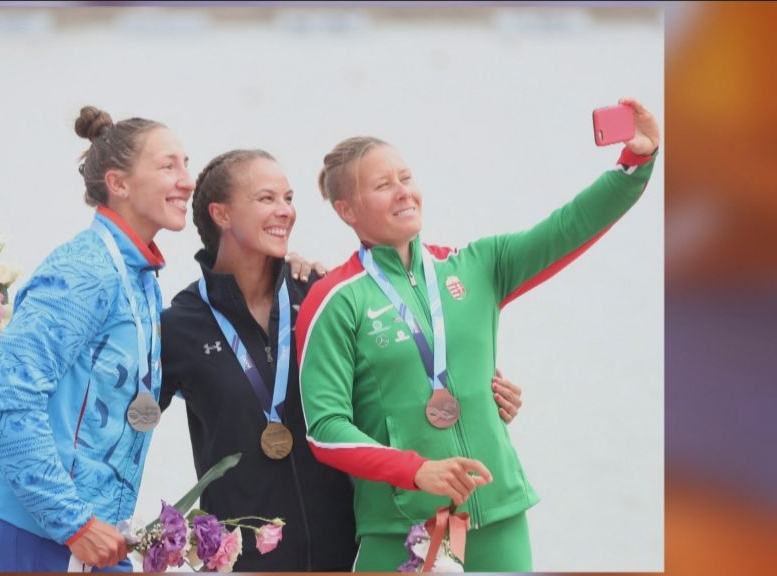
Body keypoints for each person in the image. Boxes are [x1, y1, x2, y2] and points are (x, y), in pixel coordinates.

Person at [295, 99, 660, 571]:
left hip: (499, 516)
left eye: (406, 178)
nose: (403, 192)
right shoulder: (334, 300)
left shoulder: (477, 266)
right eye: (383, 185)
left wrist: (635, 162)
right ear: (347, 209)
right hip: (401, 527)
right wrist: (416, 470)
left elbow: (569, 227)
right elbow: (325, 428)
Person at [158, 149, 529, 571]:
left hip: (350, 548)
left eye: (289, 198)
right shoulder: (180, 326)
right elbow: (131, 422)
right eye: (267, 199)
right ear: (221, 214)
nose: (285, 211)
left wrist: (480, 394)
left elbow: (397, 384)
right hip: (244, 557)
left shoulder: (320, 294)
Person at [0, 105, 195, 572]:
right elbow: (8, 408)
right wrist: (75, 524)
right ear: (118, 183)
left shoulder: (141, 277)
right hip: (30, 534)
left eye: (186, 164)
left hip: (92, 536)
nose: (187, 180)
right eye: (168, 166)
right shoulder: (81, 273)